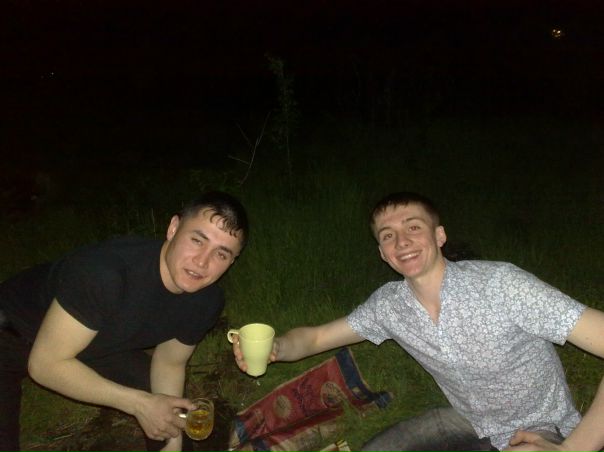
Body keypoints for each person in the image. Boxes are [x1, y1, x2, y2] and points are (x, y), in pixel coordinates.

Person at [233, 191, 604, 452]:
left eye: (413, 227)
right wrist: (277, 348)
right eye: (388, 235)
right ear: (383, 253)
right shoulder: (389, 307)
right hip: (470, 420)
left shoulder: (501, 285)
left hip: (541, 428)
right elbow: (315, 338)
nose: (402, 242)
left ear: (439, 235)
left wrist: (575, 448)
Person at [0, 190, 249, 452]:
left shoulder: (206, 300)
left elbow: (169, 361)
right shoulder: (104, 273)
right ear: (174, 228)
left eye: (221, 254)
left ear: (232, 261)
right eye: (197, 240)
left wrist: (173, 441)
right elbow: (45, 365)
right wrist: (138, 404)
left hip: (95, 342)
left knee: (163, 406)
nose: (202, 262)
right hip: (11, 335)